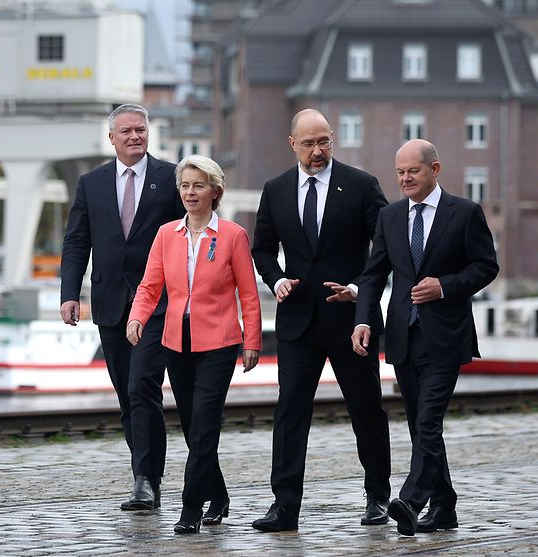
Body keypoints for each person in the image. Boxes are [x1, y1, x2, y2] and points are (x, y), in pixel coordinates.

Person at [250, 108, 391, 532]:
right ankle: (284, 507)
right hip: (297, 321)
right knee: (290, 413)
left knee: (366, 409)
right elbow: (261, 249)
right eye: (309, 143)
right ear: (292, 144)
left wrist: (362, 290)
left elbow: (383, 249)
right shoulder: (275, 190)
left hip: (351, 321)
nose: (318, 151)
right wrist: (274, 281)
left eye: (324, 141)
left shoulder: (363, 185)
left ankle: (378, 497)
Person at [352, 139, 499, 536]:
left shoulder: (465, 213)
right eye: (399, 172)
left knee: (428, 422)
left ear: (435, 169)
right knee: (420, 426)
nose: (404, 179)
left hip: (446, 336)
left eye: (412, 171)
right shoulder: (390, 217)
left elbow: (486, 266)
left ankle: (411, 499)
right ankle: (445, 507)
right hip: (403, 336)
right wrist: (363, 320)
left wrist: (446, 286)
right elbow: (372, 274)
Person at [126, 155, 262, 534]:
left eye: (198, 185)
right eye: (185, 185)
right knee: (192, 428)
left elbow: (249, 295)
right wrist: (137, 316)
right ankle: (218, 496)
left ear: (215, 192)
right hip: (175, 341)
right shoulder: (167, 234)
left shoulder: (233, 235)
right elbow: (150, 285)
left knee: (203, 427)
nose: (190, 192)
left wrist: (252, 340)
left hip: (218, 342)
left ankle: (190, 509)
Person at [59, 103, 185, 511]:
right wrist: (69, 293)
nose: (135, 136)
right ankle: (144, 475)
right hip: (111, 301)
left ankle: (146, 480)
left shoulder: (172, 178)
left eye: (141, 130)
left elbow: (190, 232)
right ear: (110, 139)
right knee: (127, 395)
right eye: (126, 131)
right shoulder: (90, 183)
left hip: (159, 301)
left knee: (141, 387)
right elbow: (77, 241)